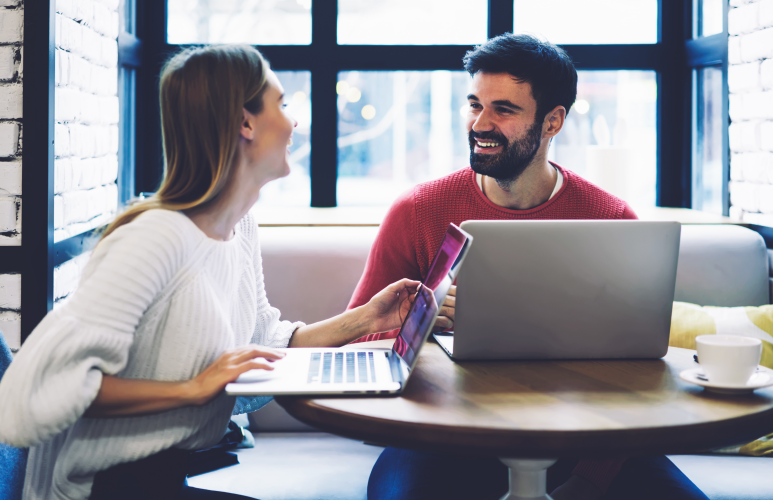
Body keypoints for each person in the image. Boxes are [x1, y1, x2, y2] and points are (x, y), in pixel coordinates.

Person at [0, 45, 420, 500]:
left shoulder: (238, 227)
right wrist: (191, 389)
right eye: (281, 104)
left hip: (164, 479)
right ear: (245, 122)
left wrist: (368, 320)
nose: (294, 121)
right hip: (102, 488)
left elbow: (260, 343)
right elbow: (32, 396)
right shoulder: (155, 236)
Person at [348, 34, 710, 500]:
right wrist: (419, 323)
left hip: (588, 438)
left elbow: (636, 368)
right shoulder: (418, 210)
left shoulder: (611, 220)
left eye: (504, 109)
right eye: (474, 104)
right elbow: (354, 342)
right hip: (441, 438)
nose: (480, 123)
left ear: (553, 121)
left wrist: (590, 479)